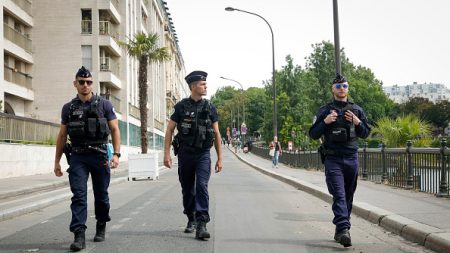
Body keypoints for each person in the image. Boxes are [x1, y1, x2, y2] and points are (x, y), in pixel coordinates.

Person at [54, 66, 121, 251]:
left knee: (101, 196)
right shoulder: (68, 108)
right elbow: (61, 136)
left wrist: (116, 154)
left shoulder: (104, 105)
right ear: (75, 84)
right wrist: (56, 161)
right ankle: (79, 235)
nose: (85, 85)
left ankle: (101, 224)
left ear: (92, 84)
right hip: (78, 157)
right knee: (79, 196)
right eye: (81, 82)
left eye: (89, 82)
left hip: (100, 156)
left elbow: (115, 129)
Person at [309, 74, 371, 247]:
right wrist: (326, 122)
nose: (341, 89)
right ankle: (344, 229)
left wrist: (358, 122)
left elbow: (366, 133)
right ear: (333, 89)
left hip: (351, 158)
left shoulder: (356, 110)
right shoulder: (325, 110)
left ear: (348, 88)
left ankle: (340, 230)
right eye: (338, 86)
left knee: (348, 195)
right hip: (333, 158)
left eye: (344, 86)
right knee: (339, 194)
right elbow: (313, 134)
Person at [163, 70, 223, 240]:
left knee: (201, 186)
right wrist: (166, 154)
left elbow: (217, 134)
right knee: (187, 189)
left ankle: (202, 223)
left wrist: (220, 158)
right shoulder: (181, 107)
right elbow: (169, 130)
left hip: (203, 153)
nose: (206, 87)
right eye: (203, 84)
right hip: (185, 153)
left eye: (205, 84)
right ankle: (191, 217)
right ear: (193, 86)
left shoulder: (210, 107)